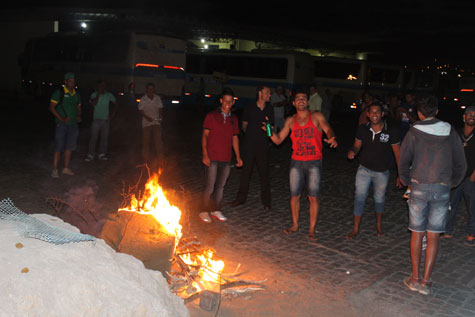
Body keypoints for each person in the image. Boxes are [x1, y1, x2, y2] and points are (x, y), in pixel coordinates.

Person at [399, 95, 466, 295]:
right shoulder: (450, 131)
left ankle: (414, 278)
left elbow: (403, 160)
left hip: (419, 186)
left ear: (419, 113)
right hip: (442, 188)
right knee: (434, 236)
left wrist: (406, 180)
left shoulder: (414, 131)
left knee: (417, 233)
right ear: (436, 111)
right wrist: (452, 183)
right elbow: (461, 164)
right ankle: (426, 282)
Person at [267, 89, 337, 240]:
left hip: (314, 162)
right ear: (293, 103)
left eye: (304, 98)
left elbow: (328, 128)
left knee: (313, 197)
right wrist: (269, 131)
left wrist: (331, 137)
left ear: (308, 101)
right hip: (296, 162)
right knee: (294, 196)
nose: (301, 100)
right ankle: (295, 225)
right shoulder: (290, 121)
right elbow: (278, 140)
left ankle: (312, 230)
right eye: (298, 98)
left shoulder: (316, 115)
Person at [346, 103, 401, 239]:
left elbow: (398, 154)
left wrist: (401, 175)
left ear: (383, 114)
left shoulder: (391, 131)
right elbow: (357, 145)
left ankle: (378, 226)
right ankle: (355, 228)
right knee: (359, 197)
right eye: (372, 112)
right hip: (364, 169)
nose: (374, 114)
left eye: (377, 112)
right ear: (367, 115)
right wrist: (353, 151)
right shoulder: (362, 129)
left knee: (379, 199)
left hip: (382, 172)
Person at [199, 87, 243, 223]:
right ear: (221, 101)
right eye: (225, 101)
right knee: (210, 185)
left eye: (230, 102)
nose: (227, 104)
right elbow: (205, 136)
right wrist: (205, 154)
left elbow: (235, 138)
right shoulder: (211, 116)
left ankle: (216, 209)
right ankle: (203, 211)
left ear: (233, 102)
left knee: (220, 186)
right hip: (212, 157)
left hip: (226, 158)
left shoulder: (234, 119)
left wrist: (238, 156)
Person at [232, 86, 274, 210]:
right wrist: (251, 134)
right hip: (249, 146)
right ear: (260, 94)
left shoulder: (269, 109)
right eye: (267, 93)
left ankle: (266, 202)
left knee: (264, 174)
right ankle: (240, 198)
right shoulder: (249, 107)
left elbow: (270, 127)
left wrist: (267, 130)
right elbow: (244, 126)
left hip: (263, 146)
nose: (269, 95)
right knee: (246, 173)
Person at [443, 105, 475, 246]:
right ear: (464, 117)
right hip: (457, 177)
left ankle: (472, 233)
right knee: (450, 205)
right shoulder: (457, 133)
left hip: (471, 177)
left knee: (472, 207)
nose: (471, 117)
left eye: (474, 115)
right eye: (469, 114)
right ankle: (447, 230)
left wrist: (474, 176)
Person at [49, 72, 82, 178]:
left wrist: (79, 115)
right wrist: (61, 118)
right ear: (66, 81)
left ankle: (65, 168)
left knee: (70, 147)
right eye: (70, 81)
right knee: (58, 147)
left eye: (73, 81)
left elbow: (79, 108)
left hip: (73, 125)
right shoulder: (59, 93)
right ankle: (54, 170)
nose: (72, 83)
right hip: (62, 124)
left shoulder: (76, 94)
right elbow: (51, 107)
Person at [85, 80, 119, 162]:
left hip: (105, 120)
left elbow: (116, 103)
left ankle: (102, 154)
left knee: (104, 138)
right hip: (96, 119)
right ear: (98, 86)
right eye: (100, 85)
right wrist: (98, 94)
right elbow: (93, 104)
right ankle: (90, 154)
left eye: (103, 85)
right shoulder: (94, 94)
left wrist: (112, 114)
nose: (102, 87)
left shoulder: (108, 95)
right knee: (93, 137)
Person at [138, 83, 164, 167]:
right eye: (149, 88)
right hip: (146, 123)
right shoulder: (143, 99)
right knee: (146, 142)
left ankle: (161, 160)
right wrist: (146, 117)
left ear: (154, 89)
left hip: (156, 122)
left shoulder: (157, 98)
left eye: (152, 88)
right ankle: (145, 161)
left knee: (158, 142)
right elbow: (140, 110)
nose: (150, 90)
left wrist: (160, 116)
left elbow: (160, 108)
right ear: (146, 90)